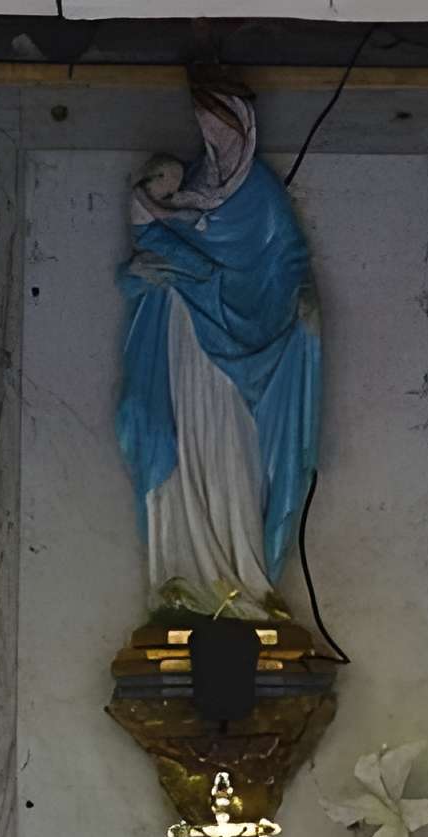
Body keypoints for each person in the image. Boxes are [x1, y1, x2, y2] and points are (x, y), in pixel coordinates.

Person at [117, 73, 321, 619]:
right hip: (184, 340)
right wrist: (145, 274)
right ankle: (181, 578)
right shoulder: (178, 190)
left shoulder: (261, 197)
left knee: (235, 457)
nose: (216, 139)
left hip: (246, 365)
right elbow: (142, 259)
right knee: (180, 446)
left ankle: (242, 583)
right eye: (210, 127)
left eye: (225, 128)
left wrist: (302, 308)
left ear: (244, 132)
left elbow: (290, 262)